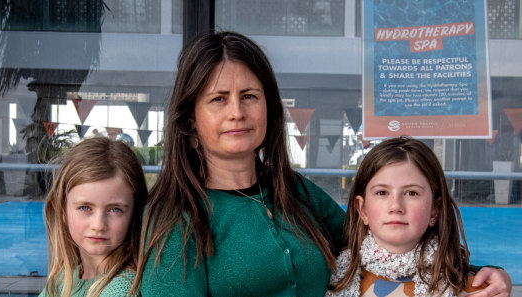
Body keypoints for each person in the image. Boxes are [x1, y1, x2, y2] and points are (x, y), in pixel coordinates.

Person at [134, 31, 511, 297]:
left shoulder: (293, 192)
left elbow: (385, 244)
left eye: (250, 96)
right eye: (218, 99)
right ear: (190, 120)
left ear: (269, 108)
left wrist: (478, 276)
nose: (237, 112)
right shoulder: (173, 217)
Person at [325, 136, 511, 297]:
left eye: (411, 193)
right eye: (382, 192)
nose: (396, 206)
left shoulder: (475, 289)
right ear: (362, 209)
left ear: (434, 211)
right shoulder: (328, 278)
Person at [40, 137, 147, 297]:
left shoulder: (122, 290)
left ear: (135, 213)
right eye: (85, 207)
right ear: (62, 210)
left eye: (115, 210)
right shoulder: (63, 281)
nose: (98, 225)